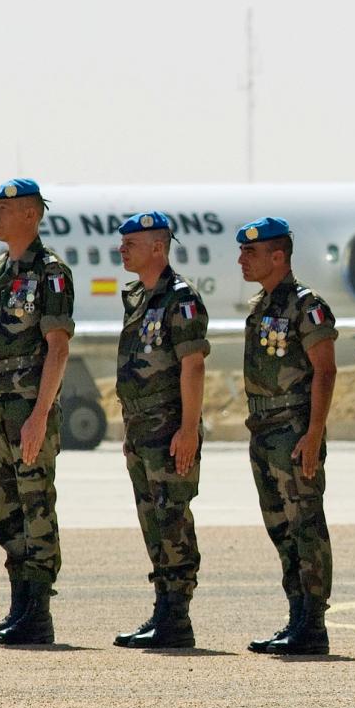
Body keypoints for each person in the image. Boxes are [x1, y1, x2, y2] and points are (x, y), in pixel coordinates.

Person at [0, 178, 74, 646]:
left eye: (3, 208)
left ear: (30, 214)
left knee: (35, 507)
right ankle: (18, 607)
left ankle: (38, 614)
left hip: (28, 409)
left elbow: (59, 347)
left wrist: (40, 414)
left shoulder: (51, 272)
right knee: (6, 511)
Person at [237, 217, 339, 656]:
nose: (242, 259)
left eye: (251, 252)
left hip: (294, 431)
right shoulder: (261, 306)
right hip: (263, 431)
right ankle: (296, 615)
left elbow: (326, 370)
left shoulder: (305, 306)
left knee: (306, 526)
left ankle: (313, 624)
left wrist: (314, 433)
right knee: (281, 527)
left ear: (278, 256)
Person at [112, 211, 209, 650]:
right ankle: (163, 610)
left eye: (131, 242)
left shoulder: (180, 298)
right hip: (141, 428)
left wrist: (188, 428)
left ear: (158, 247)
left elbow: (193, 364)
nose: (122, 248)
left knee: (172, 518)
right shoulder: (137, 297)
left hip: (169, 427)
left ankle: (177, 616)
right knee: (152, 519)